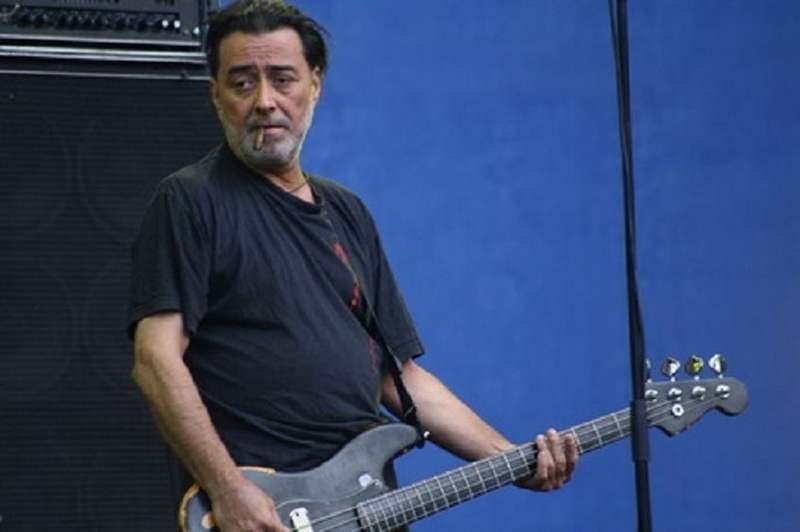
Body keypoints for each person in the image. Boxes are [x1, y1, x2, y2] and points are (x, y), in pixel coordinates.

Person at [128, 1, 578, 530]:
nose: (265, 101)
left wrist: (510, 459)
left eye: (283, 79)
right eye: (242, 83)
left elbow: (399, 378)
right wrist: (228, 490)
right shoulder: (190, 200)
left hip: (364, 504)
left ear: (315, 85)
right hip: (268, 509)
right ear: (215, 96)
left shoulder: (347, 213)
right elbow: (155, 360)